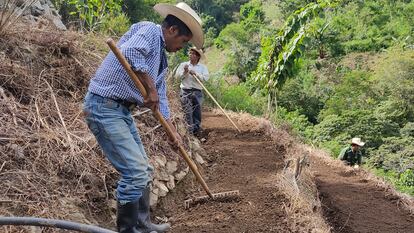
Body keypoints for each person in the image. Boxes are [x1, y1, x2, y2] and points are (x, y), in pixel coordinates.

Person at [82, 2, 203, 233]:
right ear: (172, 31)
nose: (181, 48)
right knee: (134, 172)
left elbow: (162, 99)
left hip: (120, 110)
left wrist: (172, 130)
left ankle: (143, 224)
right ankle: (128, 230)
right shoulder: (149, 30)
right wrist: (151, 89)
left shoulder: (161, 59)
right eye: (183, 42)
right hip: (103, 107)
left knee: (144, 170)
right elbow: (130, 53)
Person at [175, 47, 209, 135]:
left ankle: (196, 131)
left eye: (193, 54)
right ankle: (189, 132)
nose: (191, 55)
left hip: (197, 92)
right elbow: (177, 77)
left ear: (198, 56)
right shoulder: (183, 65)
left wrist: (196, 74)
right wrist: (185, 72)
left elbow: (206, 78)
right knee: (187, 111)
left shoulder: (202, 67)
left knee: (197, 112)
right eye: (190, 53)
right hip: (185, 91)